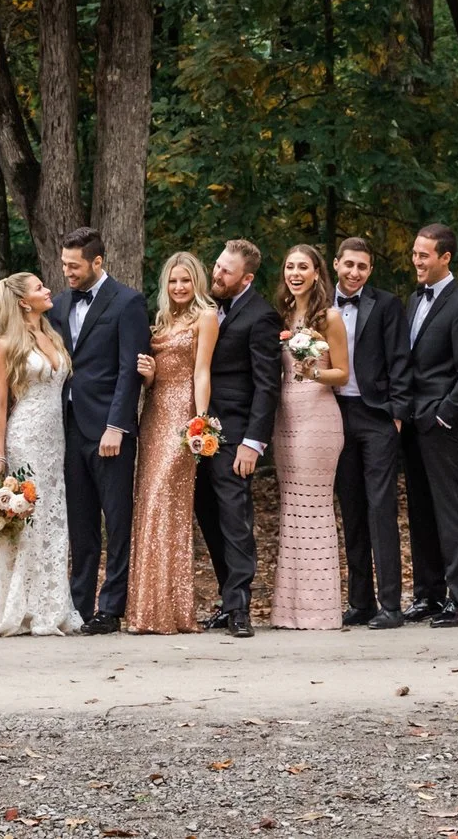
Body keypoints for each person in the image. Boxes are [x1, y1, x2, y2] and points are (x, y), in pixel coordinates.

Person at [0, 271, 81, 637]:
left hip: (56, 440)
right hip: (25, 437)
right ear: (24, 301)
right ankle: (15, 606)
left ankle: (50, 604)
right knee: (28, 522)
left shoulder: (51, 334)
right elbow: (0, 404)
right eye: (39, 287)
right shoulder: (7, 344)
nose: (47, 290)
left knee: (53, 519)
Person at [48, 225, 149, 635]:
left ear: (97, 262)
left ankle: (111, 607)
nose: (68, 272)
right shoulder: (57, 305)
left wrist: (117, 426)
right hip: (68, 427)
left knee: (117, 519)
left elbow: (130, 370)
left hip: (108, 429)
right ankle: (80, 604)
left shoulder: (128, 303)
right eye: (64, 265)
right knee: (81, 521)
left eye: (74, 266)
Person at [395, 223, 458, 627]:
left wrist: (444, 414)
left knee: (449, 510)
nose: (416, 260)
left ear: (445, 258)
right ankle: (428, 595)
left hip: (441, 423)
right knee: (420, 510)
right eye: (415, 253)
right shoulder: (413, 300)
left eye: (424, 255)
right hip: (412, 422)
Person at [126, 251, 215, 635]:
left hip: (181, 419)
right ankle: (146, 610)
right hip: (153, 415)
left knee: (168, 505)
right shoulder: (162, 320)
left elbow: (202, 371)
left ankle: (173, 610)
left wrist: (200, 421)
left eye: (186, 281)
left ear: (197, 282)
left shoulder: (205, 317)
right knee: (148, 506)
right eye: (174, 281)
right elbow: (155, 379)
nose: (180, 288)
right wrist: (147, 375)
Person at [196, 241, 279, 637]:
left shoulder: (262, 316)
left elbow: (267, 386)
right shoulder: (205, 308)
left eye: (226, 272)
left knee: (235, 522)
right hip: (198, 434)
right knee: (209, 519)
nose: (216, 275)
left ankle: (240, 606)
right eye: (216, 267)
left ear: (246, 278)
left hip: (235, 437)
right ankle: (227, 602)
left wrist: (253, 442)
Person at [271, 244, 349, 631]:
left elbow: (343, 375)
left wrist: (311, 371)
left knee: (313, 508)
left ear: (317, 272)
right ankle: (290, 611)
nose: (295, 273)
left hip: (318, 415)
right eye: (290, 267)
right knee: (292, 508)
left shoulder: (329, 317)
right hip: (285, 416)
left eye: (303, 267)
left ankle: (320, 610)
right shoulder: (283, 315)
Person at [329, 237, 406, 628]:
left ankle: (390, 603)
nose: (355, 272)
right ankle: (360, 601)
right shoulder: (320, 304)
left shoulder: (387, 304)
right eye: (349, 265)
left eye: (362, 266)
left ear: (370, 270)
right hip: (334, 413)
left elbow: (399, 359)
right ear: (336, 264)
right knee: (351, 509)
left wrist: (395, 414)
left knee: (381, 509)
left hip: (376, 416)